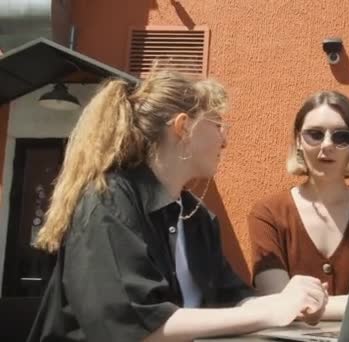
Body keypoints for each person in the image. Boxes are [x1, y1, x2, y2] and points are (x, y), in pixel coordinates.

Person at [27, 69, 328, 342]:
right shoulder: (108, 202)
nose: (224, 140)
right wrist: (270, 313)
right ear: (183, 127)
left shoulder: (197, 217)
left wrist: (289, 301)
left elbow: (231, 299)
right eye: (219, 124)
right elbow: (140, 329)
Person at [248, 91, 349, 321]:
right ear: (298, 140)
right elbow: (276, 299)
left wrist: (304, 306)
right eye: (314, 134)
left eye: (342, 137)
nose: (326, 145)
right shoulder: (268, 213)